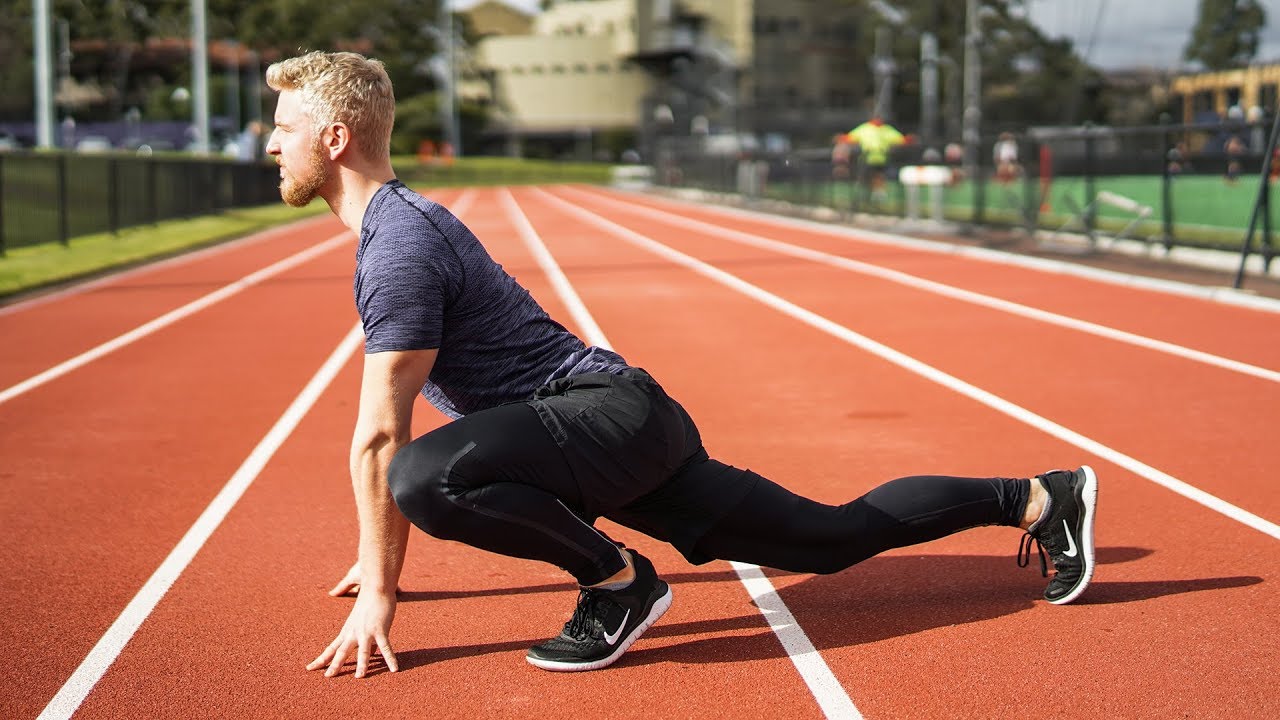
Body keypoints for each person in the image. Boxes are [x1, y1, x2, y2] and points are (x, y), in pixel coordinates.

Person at [264, 51, 1100, 679]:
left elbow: (382, 437)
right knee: (831, 537)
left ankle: (618, 582)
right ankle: (1037, 497)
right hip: (616, 427)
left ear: (335, 140)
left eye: (285, 127)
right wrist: (378, 560)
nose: (270, 143)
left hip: (600, 417)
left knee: (423, 475)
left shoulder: (399, 246)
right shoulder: (397, 229)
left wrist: (381, 589)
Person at [845, 114, 907, 203]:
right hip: (867, 158)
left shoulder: (887, 129)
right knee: (864, 177)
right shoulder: (864, 128)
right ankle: (862, 195)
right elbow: (850, 138)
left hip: (881, 158)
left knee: (879, 176)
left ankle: (878, 195)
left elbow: (900, 139)